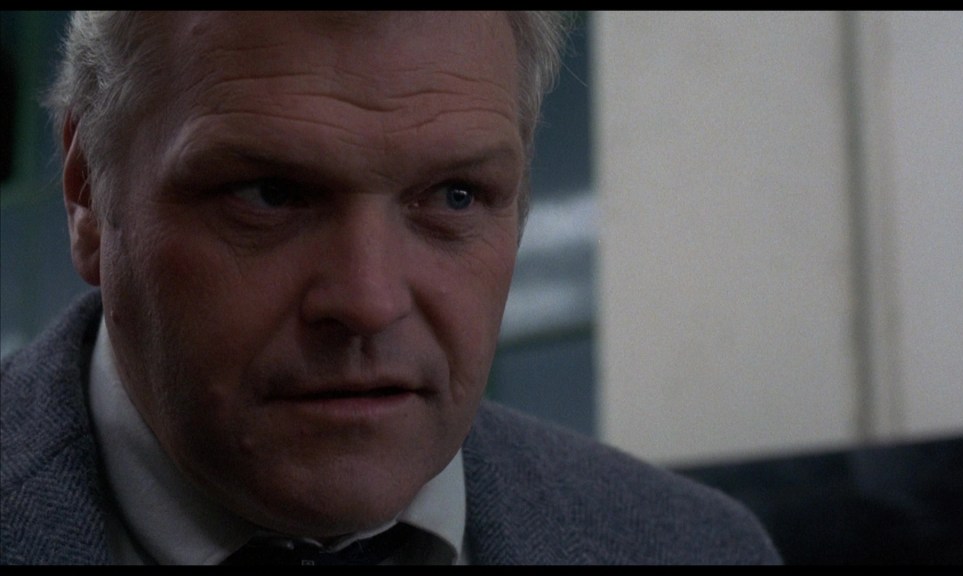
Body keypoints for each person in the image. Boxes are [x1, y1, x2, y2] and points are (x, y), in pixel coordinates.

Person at [0, 11, 781, 565]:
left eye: (454, 196)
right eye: (270, 194)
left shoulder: (697, 548)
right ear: (86, 191)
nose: (369, 301)